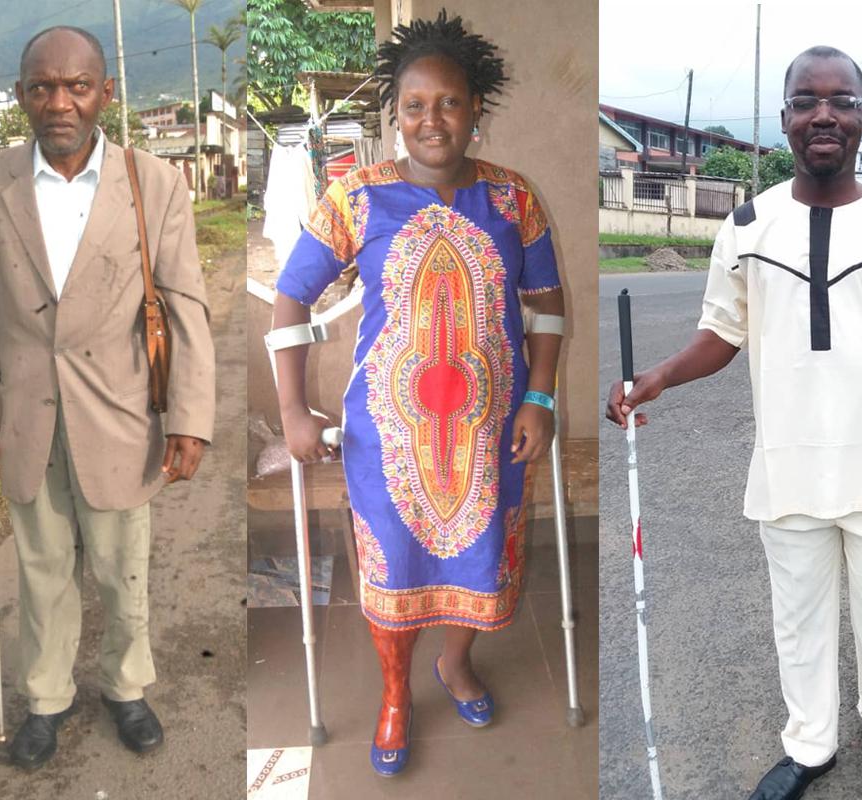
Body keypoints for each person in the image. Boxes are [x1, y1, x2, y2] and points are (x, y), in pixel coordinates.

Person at [607, 46, 862, 800]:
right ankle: (810, 745)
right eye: (806, 100)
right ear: (786, 120)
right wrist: (658, 376)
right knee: (798, 622)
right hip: (789, 469)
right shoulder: (745, 225)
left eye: (840, 101)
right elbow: (721, 334)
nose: (823, 114)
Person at [271, 11, 564, 777]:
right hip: (389, 431)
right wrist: (293, 410)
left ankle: (454, 665)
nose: (431, 120)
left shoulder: (513, 200)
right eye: (413, 106)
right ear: (394, 116)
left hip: (492, 427)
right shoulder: (357, 198)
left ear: (476, 110)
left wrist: (543, 399)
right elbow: (291, 299)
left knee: (478, 561)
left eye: (449, 103)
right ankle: (396, 692)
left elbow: (550, 303)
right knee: (394, 566)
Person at [0, 26, 215, 770]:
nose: (59, 102)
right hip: (26, 414)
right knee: (41, 569)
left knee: (120, 565)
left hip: (121, 413)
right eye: (42, 88)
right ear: (22, 98)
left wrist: (189, 418)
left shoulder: (152, 183)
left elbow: (186, 305)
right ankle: (45, 700)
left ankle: (126, 689)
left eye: (76, 86)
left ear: (105, 92)